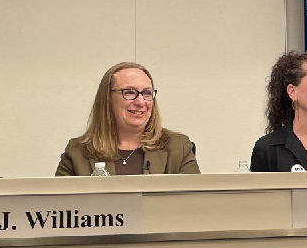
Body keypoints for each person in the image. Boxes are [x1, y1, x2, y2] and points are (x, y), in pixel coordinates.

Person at [56, 62, 199, 176]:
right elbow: (60, 208)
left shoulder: (178, 147)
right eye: (129, 92)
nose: (141, 102)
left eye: (147, 93)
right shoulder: (77, 152)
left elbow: (195, 205)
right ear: (107, 99)